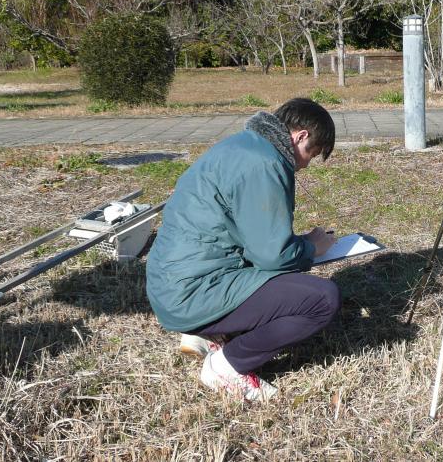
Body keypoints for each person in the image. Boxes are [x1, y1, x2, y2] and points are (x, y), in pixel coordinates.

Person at [146, 98, 340, 402]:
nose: (304, 165)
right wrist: (311, 248)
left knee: (283, 284)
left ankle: (205, 331)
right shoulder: (266, 162)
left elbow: (249, 238)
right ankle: (226, 365)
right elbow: (272, 256)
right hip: (193, 292)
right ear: (300, 136)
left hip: (172, 282)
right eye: (310, 154)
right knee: (322, 300)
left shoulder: (243, 146)